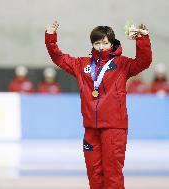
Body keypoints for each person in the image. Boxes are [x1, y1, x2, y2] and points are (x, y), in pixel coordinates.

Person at [45, 21, 152, 189]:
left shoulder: (122, 64)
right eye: (97, 43)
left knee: (112, 175)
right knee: (94, 174)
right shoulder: (82, 65)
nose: (101, 47)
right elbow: (59, 58)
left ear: (112, 42)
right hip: (91, 128)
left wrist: (142, 40)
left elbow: (144, 61)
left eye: (105, 42)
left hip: (114, 128)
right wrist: (50, 37)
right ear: (92, 44)